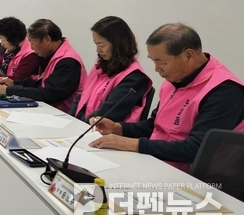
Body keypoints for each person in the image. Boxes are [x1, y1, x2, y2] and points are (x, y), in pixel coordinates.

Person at [90, 23, 244, 172]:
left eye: (161, 62)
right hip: (157, 161)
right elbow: (155, 125)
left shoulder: (224, 91)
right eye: (153, 61)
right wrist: (118, 128)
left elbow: (197, 149)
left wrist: (132, 144)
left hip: (196, 176)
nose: (157, 69)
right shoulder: (175, 79)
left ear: (188, 55)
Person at [68, 17, 152, 123]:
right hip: (84, 125)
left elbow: (108, 113)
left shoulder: (133, 77)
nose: (98, 50)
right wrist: (69, 120)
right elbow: (81, 98)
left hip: (101, 129)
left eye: (101, 45)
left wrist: (79, 127)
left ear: (117, 44)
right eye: (96, 44)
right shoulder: (99, 67)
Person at [0, 19, 86, 112]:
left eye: (32, 43)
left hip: (65, 114)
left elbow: (50, 93)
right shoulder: (51, 55)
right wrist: (14, 83)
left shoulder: (68, 62)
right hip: (49, 109)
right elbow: (40, 82)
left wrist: (10, 90)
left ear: (47, 39)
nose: (31, 47)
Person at [0, 16, 38, 82]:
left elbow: (15, 79)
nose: (2, 44)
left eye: (3, 39)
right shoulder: (13, 48)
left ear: (12, 38)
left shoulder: (30, 54)